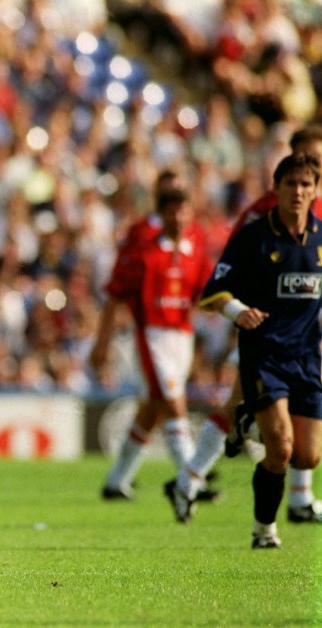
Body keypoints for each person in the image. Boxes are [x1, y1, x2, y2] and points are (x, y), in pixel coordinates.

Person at [175, 124, 322, 525]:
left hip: (306, 337)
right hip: (263, 330)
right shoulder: (262, 213)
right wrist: (236, 309)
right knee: (259, 412)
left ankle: (195, 476)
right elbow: (232, 266)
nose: (306, 183)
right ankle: (290, 495)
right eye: (310, 162)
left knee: (263, 417)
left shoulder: (317, 216)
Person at [91, 187, 213, 501]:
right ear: (161, 215)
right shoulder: (146, 252)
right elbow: (115, 293)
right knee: (173, 402)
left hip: (182, 336)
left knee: (153, 411)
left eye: (184, 209)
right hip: (151, 335)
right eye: (172, 210)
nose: (179, 217)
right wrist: (101, 343)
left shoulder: (194, 251)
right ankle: (190, 479)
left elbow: (207, 293)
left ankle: (116, 480)